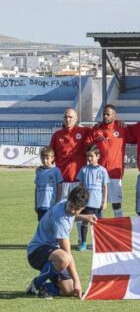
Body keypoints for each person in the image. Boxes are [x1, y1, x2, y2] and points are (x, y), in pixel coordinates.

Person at [26, 186, 98, 299]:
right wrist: (77, 281)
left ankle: (40, 286)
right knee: (65, 258)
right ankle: (37, 284)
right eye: (72, 206)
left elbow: (71, 215)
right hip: (36, 252)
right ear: (69, 199)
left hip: (53, 253)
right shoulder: (60, 218)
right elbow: (67, 254)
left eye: (77, 209)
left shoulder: (66, 203)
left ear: (83, 207)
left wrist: (85, 217)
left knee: (69, 290)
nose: (73, 210)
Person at [49, 108, 90, 243]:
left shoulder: (83, 132)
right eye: (66, 117)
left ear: (76, 118)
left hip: (78, 180)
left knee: (77, 209)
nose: (68, 119)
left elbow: (98, 131)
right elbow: (50, 156)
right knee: (61, 210)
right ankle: (58, 238)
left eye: (71, 117)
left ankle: (80, 239)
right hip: (62, 181)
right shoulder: (57, 135)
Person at [85, 104, 129, 217]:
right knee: (99, 204)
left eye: (108, 114)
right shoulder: (96, 129)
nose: (105, 116)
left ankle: (120, 228)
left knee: (116, 204)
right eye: (104, 114)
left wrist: (120, 122)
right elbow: (87, 145)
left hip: (115, 173)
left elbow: (136, 137)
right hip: (98, 174)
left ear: (114, 116)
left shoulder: (122, 128)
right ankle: (101, 230)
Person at [76, 145, 109, 251]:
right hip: (85, 203)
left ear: (98, 156)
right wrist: (79, 200)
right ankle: (84, 243)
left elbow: (105, 187)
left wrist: (104, 202)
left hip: (97, 203)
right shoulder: (84, 170)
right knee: (84, 222)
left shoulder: (103, 170)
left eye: (91, 156)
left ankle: (98, 244)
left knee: (97, 224)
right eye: (87, 156)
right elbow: (80, 186)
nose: (89, 158)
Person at [34, 146, 63, 221]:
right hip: (41, 206)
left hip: (51, 206)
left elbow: (60, 187)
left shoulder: (56, 171)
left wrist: (57, 203)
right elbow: (36, 188)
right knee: (42, 229)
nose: (45, 161)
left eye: (47, 158)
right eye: (43, 158)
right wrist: (36, 204)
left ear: (52, 158)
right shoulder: (39, 172)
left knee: (51, 228)